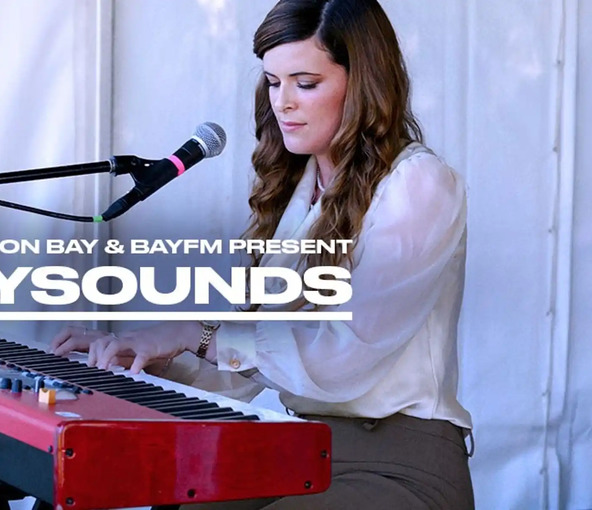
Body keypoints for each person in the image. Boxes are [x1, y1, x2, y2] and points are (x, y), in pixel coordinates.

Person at [51, 0, 474, 508]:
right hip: (302, 451)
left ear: (365, 84)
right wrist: (142, 360)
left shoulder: (419, 184)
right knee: (178, 501)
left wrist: (196, 333)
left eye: (305, 83)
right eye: (273, 82)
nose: (283, 103)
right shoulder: (296, 192)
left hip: (400, 462)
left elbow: (345, 356)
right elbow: (243, 365)